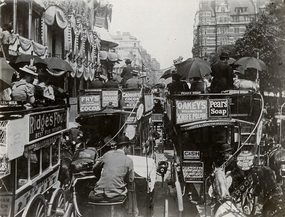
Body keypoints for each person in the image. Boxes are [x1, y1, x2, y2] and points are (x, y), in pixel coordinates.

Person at [89, 135, 134, 202]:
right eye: (129, 147)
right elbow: (130, 180)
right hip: (117, 195)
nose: (129, 149)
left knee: (90, 192)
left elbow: (95, 168)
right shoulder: (129, 160)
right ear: (125, 147)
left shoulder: (107, 154)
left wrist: (100, 177)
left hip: (99, 194)